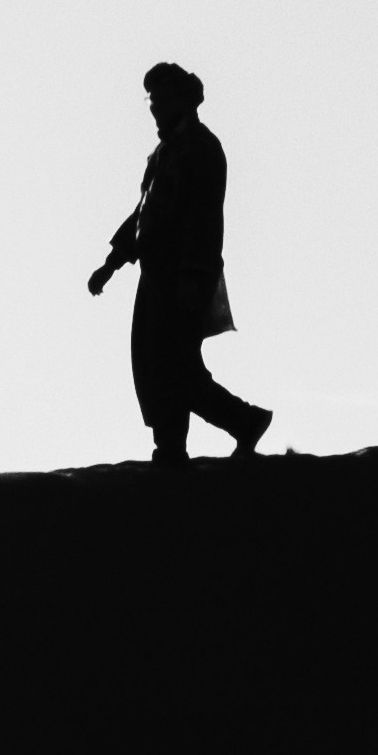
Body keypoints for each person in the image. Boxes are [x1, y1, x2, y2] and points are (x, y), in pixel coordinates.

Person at [88, 62, 273, 465]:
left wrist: (192, 277)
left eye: (161, 99)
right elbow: (144, 214)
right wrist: (112, 262)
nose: (154, 107)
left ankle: (241, 422)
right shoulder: (164, 152)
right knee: (157, 366)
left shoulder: (201, 149)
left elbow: (203, 220)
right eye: (151, 100)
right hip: (156, 276)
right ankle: (174, 447)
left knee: (174, 369)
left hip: (184, 276)